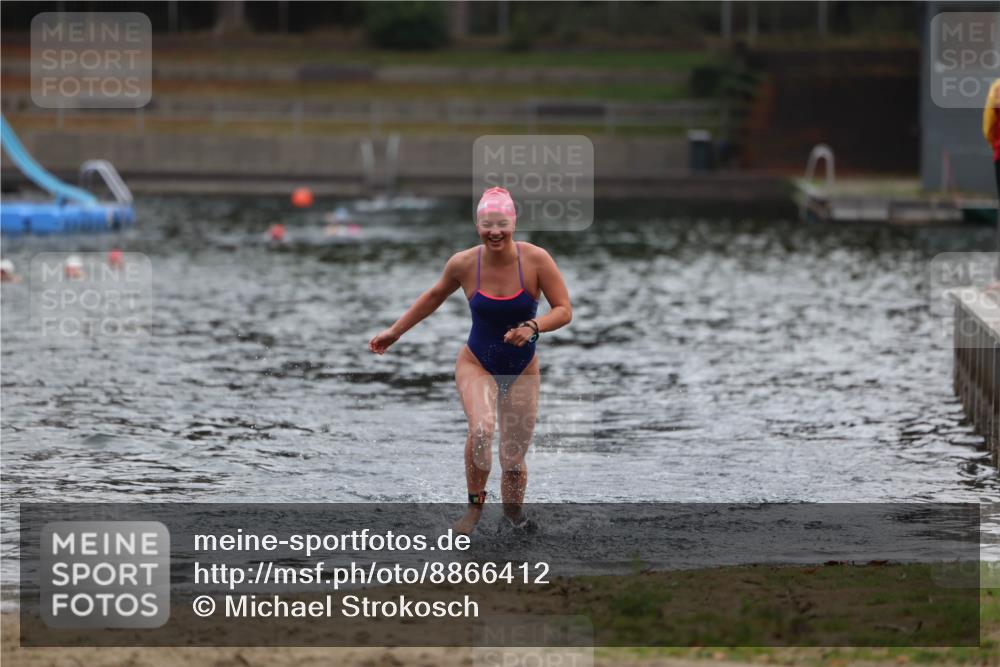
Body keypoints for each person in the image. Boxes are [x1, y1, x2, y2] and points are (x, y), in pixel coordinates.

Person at [368, 187, 572, 535]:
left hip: (522, 369)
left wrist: (533, 326)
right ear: (477, 225)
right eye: (487, 224)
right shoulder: (464, 263)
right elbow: (433, 297)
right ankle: (473, 512)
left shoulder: (536, 260)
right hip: (475, 362)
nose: (495, 232)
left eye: (502, 224)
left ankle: (513, 517)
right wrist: (394, 332)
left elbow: (564, 310)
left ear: (513, 223)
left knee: (512, 459)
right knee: (481, 429)